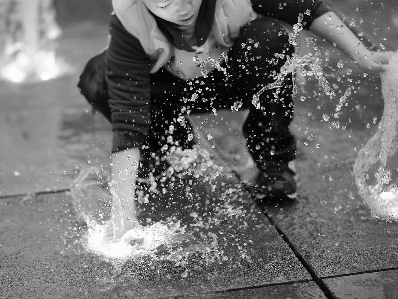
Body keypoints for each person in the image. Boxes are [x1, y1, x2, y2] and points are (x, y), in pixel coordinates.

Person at [78, 0, 392, 239]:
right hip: (169, 89)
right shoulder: (128, 22)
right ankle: (168, 146)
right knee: (98, 78)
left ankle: (275, 163)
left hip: (229, 79)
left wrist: (361, 52)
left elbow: (306, 7)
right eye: (163, 2)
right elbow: (127, 118)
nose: (181, 9)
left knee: (269, 38)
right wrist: (122, 212)